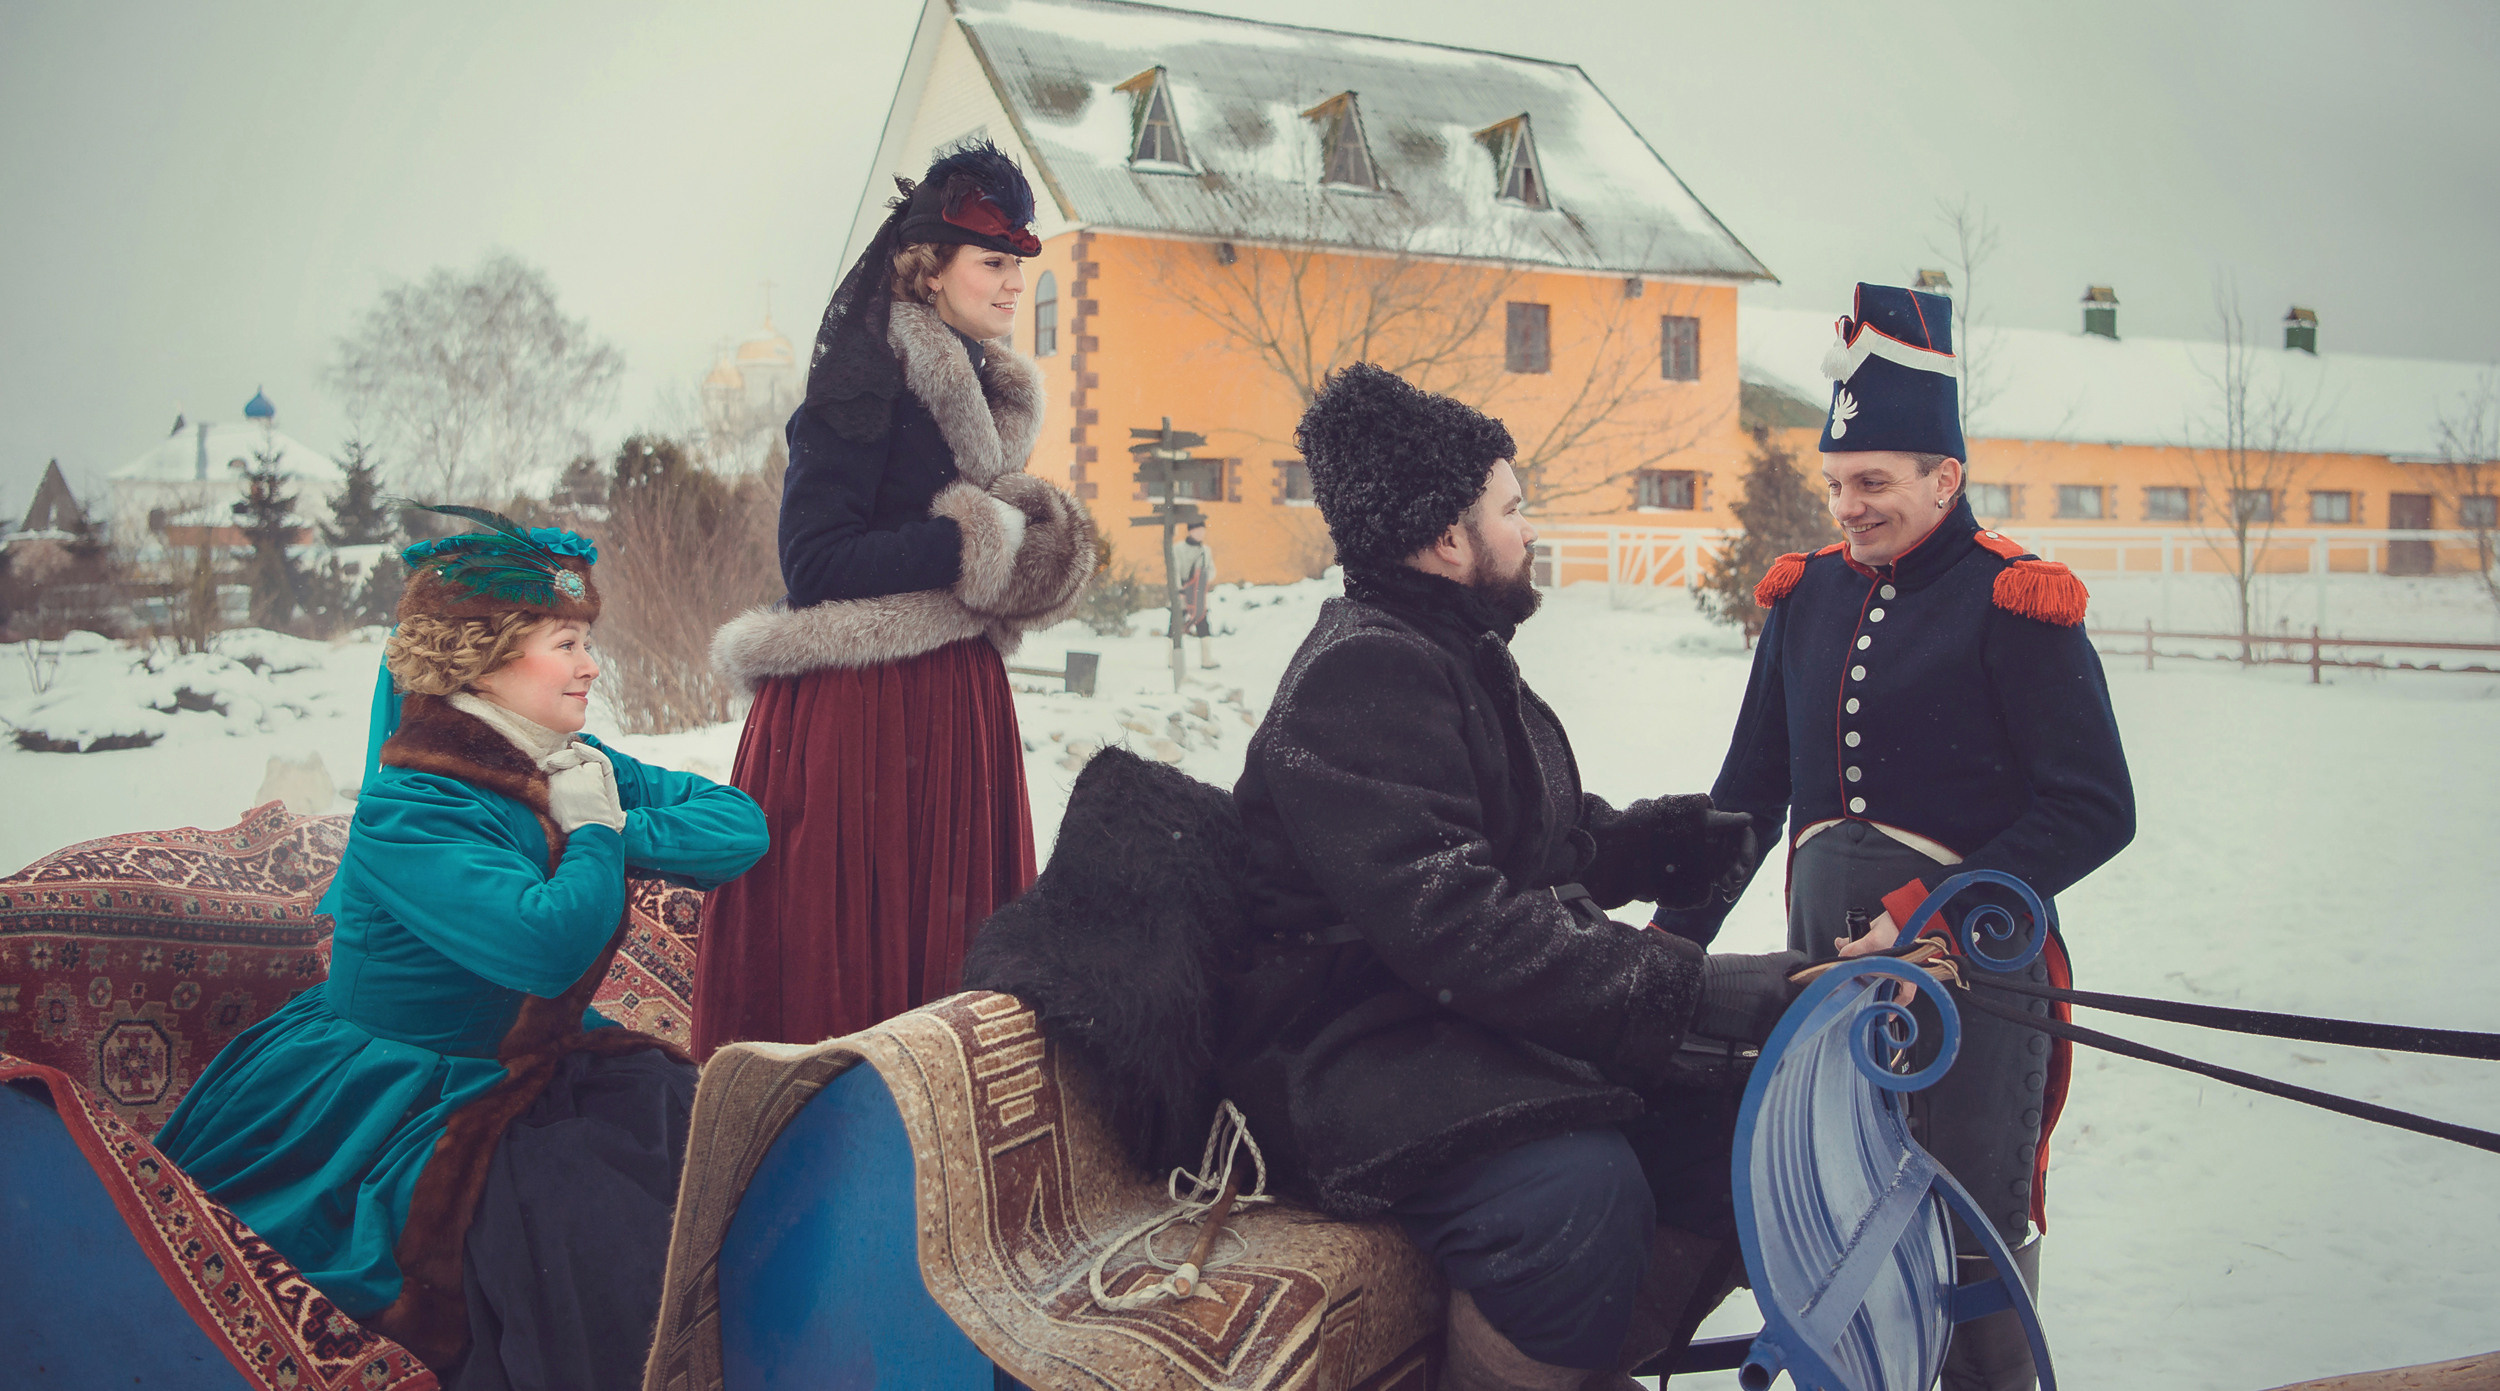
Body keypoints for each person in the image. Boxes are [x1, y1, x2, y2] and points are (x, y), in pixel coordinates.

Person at [1217, 364, 1802, 1389]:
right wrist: (1688, 986)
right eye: (1511, 508)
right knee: (1573, 1194)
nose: (1528, 528)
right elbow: (1454, 917)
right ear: (1449, 540)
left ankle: (1570, 1359)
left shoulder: (1449, 650)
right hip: (1342, 1045)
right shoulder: (1360, 673)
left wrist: (1656, 843)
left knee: (1742, 1125)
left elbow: (1522, 832)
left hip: (1428, 1018)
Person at [155, 512, 769, 1389]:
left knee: (710, 1146)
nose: (592, 665)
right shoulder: (413, 806)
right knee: (582, 1244)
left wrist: (606, 817)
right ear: (483, 657)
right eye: (567, 642)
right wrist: (589, 832)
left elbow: (736, 827)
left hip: (538, 1061)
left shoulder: (567, 760)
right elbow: (549, 943)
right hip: (401, 1090)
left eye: (587, 639)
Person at [1657, 283, 2135, 1391]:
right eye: (1835, 485)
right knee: (1834, 1233)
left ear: (1944, 477)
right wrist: (1669, 946)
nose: (1847, 509)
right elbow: (1748, 793)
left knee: (1967, 1245)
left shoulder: (2014, 600)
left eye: (1871, 483)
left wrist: (1932, 910)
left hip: (1973, 979)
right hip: (1822, 974)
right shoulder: (1807, 598)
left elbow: (2094, 803)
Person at [698, 141, 1096, 1055]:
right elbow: (816, 562)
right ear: (927, 269)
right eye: (993, 264)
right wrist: (979, 538)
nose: (1011, 288)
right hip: (864, 721)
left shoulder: (978, 387)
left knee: (952, 957)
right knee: (858, 972)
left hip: (951, 710)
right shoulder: (860, 383)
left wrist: (1030, 547)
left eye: (1017, 268)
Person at [1173, 519, 1218, 668]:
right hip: (1183, 592)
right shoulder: (1178, 549)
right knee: (1175, 624)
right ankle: (1173, 660)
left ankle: (1206, 660)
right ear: (1190, 531)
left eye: (1202, 530)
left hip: (1198, 593)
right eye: (1197, 530)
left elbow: (1212, 570)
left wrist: (1203, 578)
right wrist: (1179, 589)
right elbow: (1174, 570)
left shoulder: (1205, 550)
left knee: (1203, 624)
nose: (1200, 534)